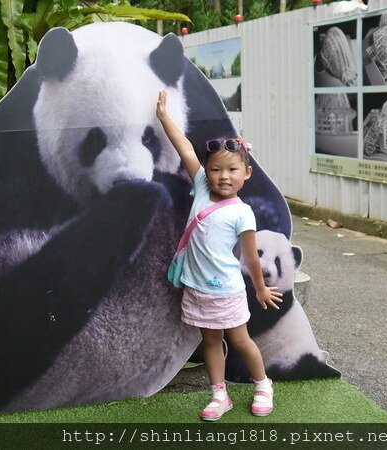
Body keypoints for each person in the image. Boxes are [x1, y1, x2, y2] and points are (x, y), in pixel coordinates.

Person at [156, 90, 283, 421]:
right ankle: (219, 394)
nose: (223, 177)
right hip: (197, 289)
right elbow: (184, 147)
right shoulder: (200, 186)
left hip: (226, 290)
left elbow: (251, 257)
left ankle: (263, 385)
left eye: (231, 170)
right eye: (215, 170)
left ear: (246, 173)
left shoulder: (243, 213)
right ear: (206, 173)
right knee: (210, 343)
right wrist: (165, 118)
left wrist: (259, 288)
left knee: (240, 341)